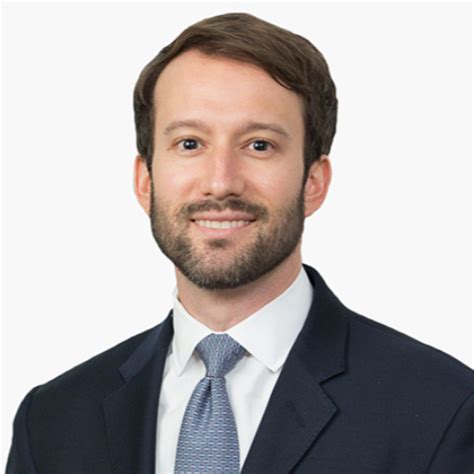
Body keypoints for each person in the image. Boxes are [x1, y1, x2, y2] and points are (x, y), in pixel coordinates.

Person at [7, 12, 473, 474]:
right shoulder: (50, 422)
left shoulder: (445, 410)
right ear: (145, 180)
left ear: (313, 182)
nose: (220, 182)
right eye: (190, 144)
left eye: (259, 145)